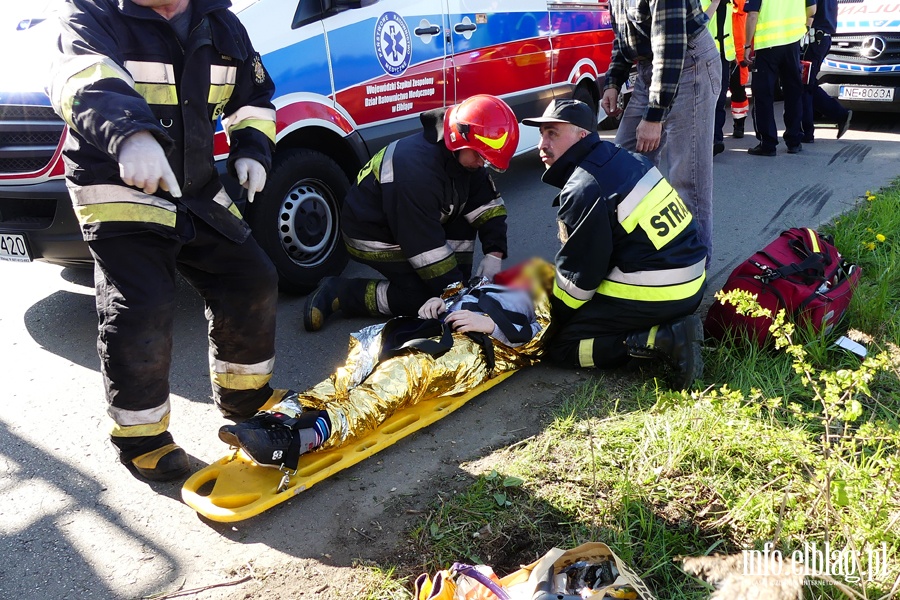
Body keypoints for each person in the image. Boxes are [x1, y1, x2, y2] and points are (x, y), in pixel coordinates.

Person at [48, 0, 285, 481]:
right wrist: (131, 136)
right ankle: (142, 438)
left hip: (194, 185)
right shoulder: (89, 14)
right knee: (143, 305)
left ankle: (246, 398)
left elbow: (253, 101)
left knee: (250, 277)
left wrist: (253, 150)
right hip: (117, 184)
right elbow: (81, 81)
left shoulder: (222, 23)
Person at [220, 263, 552, 469]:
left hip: (470, 348)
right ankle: (277, 418)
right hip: (432, 329)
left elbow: (535, 343)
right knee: (352, 371)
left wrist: (490, 325)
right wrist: (442, 300)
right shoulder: (487, 284)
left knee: (395, 378)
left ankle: (305, 437)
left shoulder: (538, 299)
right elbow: (459, 293)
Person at [523, 99, 707, 390]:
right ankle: (662, 328)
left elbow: (578, 283)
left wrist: (552, 322)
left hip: (661, 293)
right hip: (692, 282)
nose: (541, 145)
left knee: (561, 346)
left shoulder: (585, 187)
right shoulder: (623, 158)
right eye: (541, 134)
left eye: (552, 134)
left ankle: (664, 340)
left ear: (581, 135)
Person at [303, 95, 519, 332]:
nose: (481, 163)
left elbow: (488, 205)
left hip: (416, 223)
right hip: (372, 234)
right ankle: (341, 293)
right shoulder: (415, 172)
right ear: (458, 137)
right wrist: (452, 293)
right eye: (480, 156)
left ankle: (457, 288)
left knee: (450, 287)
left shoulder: (466, 155)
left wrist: (494, 254)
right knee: (423, 298)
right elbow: (424, 246)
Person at [600, 0, 721, 263]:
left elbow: (670, 47)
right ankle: (639, 249)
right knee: (622, 164)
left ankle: (694, 266)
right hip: (651, 68)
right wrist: (613, 81)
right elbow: (624, 35)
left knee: (687, 176)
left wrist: (655, 116)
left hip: (689, 65)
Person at [743, 0, 817, 156]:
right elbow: (812, 9)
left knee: (763, 94)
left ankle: (768, 144)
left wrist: (747, 45)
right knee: (793, 92)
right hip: (792, 43)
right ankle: (794, 140)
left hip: (767, 45)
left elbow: (752, 15)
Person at [800, 0, 852, 143]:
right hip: (821, 37)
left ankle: (807, 132)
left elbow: (811, 11)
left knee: (804, 85)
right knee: (808, 84)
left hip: (813, 38)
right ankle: (839, 115)